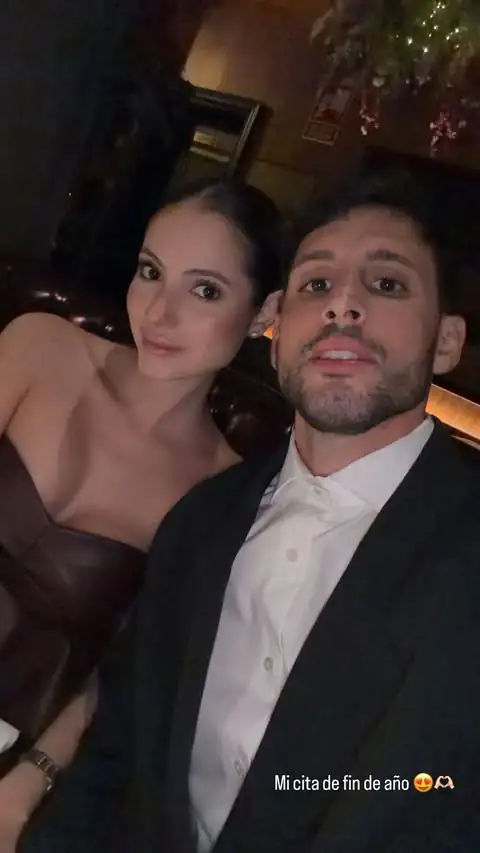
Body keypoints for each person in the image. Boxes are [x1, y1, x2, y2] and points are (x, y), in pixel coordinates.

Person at [21, 167, 480, 853]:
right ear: (278, 323)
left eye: (386, 284)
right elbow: (115, 755)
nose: (342, 305)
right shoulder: (201, 522)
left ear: (446, 341)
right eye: (316, 284)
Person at [0, 178, 285, 849]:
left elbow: (126, 670)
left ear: (262, 313)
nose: (159, 312)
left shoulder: (223, 493)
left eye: (205, 290)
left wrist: (26, 786)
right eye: (151, 272)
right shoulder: (41, 347)